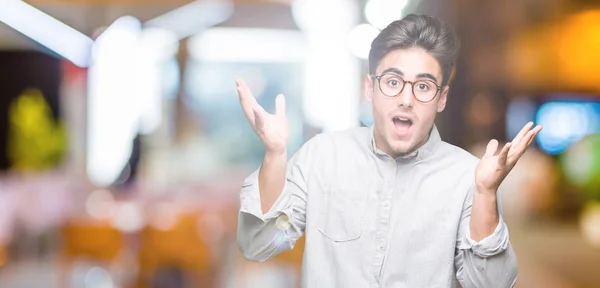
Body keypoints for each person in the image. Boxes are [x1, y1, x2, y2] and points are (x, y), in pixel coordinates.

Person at [235, 14, 541, 288]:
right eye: (393, 81)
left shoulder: (468, 179)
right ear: (370, 88)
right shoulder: (322, 156)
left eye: (423, 86)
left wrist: (486, 193)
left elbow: (491, 285)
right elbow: (259, 244)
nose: (406, 99)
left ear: (442, 98)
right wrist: (275, 155)